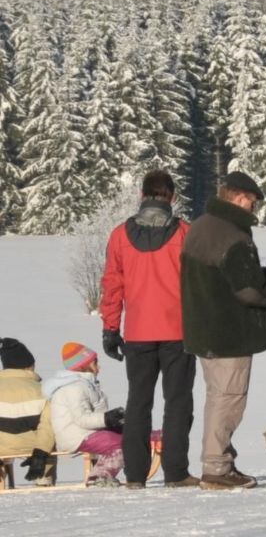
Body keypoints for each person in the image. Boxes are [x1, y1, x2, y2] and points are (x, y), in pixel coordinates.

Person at [180, 172, 266, 488]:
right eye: (252, 203)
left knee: (217, 398)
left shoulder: (200, 226)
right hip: (229, 333)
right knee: (228, 400)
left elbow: (223, 278)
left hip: (204, 328)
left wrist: (260, 274)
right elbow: (248, 291)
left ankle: (220, 461)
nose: (253, 210)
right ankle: (217, 467)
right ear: (240, 198)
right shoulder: (232, 236)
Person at [100, 170, 195, 488]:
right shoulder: (184, 232)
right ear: (171, 197)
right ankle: (176, 471)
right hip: (178, 331)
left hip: (138, 332)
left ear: (142, 196)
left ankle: (136, 475)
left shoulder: (119, 235)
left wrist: (110, 328)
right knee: (178, 401)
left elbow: (112, 284)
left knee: (138, 402)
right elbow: (198, 283)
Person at [45, 342, 127, 482]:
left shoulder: (86, 385)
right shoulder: (74, 388)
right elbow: (82, 419)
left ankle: (113, 471)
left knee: (128, 438)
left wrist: (114, 421)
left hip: (87, 432)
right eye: (95, 364)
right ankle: (99, 476)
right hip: (76, 435)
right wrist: (107, 418)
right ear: (83, 365)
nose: (99, 368)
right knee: (120, 444)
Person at [0, 338, 57, 483]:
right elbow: (47, 426)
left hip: (1, 446)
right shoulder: (42, 391)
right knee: (50, 444)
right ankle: (44, 480)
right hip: (32, 444)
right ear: (28, 366)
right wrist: (41, 452)